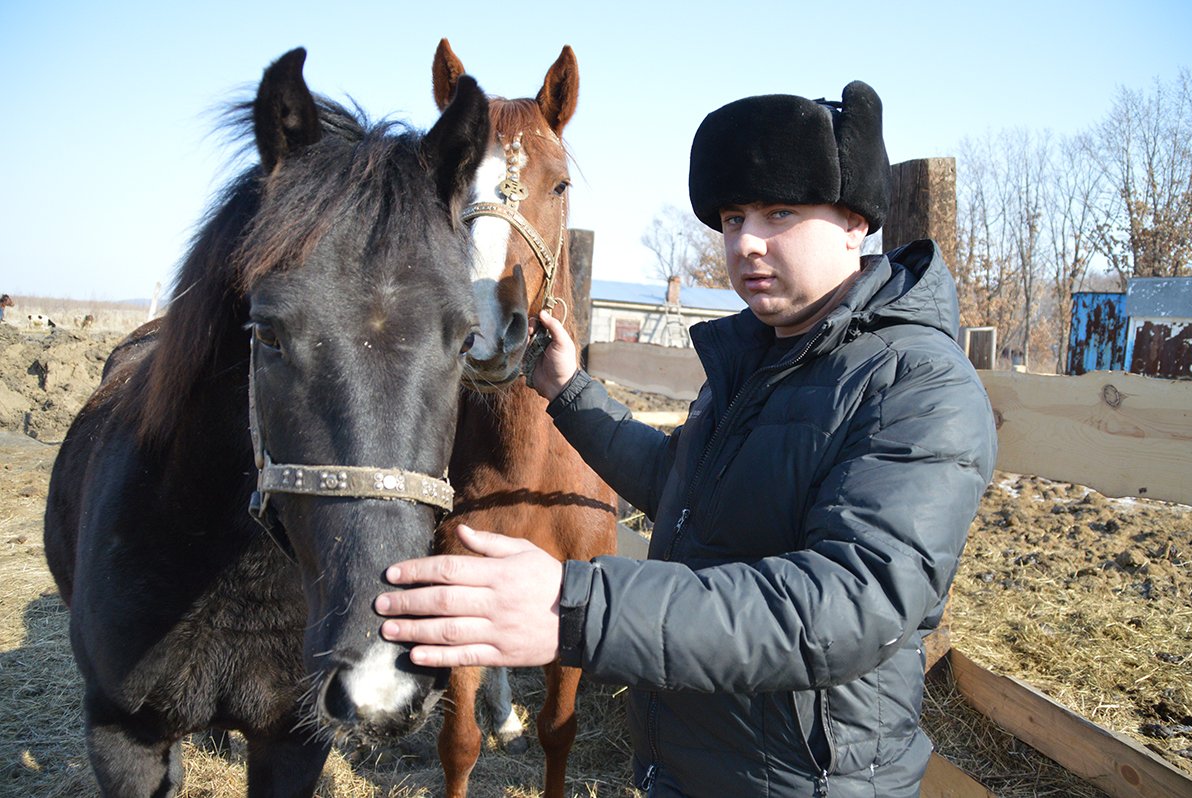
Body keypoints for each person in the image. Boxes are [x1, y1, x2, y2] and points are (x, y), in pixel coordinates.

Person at [375, 81, 998, 797]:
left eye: (781, 213)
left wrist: (575, 608)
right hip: (684, 764)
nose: (748, 244)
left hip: (804, 782)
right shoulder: (761, 358)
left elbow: (847, 605)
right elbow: (688, 485)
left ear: (855, 223)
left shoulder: (919, 388)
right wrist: (568, 393)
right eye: (734, 218)